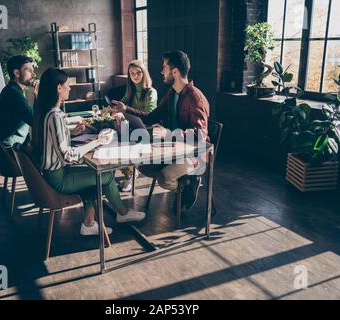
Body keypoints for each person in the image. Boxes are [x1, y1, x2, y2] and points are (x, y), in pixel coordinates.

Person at [32, 68, 146, 236]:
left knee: (96, 172)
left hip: (52, 173)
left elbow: (53, 141)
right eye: (67, 85)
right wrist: (96, 142)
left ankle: (92, 221)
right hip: (58, 178)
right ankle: (120, 214)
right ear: (58, 88)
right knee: (105, 175)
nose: (69, 88)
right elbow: (67, 155)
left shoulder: (47, 112)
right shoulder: (55, 115)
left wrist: (71, 133)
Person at [113, 51, 210, 210]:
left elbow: (201, 135)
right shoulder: (172, 93)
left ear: (175, 72)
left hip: (196, 155)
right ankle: (185, 181)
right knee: (144, 166)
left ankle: (189, 182)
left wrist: (168, 134)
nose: (162, 71)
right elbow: (151, 117)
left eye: (164, 68)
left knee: (165, 178)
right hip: (175, 149)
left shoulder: (195, 98)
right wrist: (126, 110)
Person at [111, 60, 158, 192]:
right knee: (113, 142)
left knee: (122, 145)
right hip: (132, 129)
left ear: (144, 73)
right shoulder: (130, 91)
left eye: (138, 72)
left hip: (147, 131)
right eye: (132, 74)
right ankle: (128, 173)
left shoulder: (151, 92)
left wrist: (125, 109)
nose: (135, 76)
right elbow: (123, 104)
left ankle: (130, 174)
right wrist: (115, 110)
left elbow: (149, 115)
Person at [0, 55, 38, 148]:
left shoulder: (14, 90)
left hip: (17, 146)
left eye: (33, 70)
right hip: (12, 150)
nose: (33, 74)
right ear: (17, 73)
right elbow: (35, 120)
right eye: (28, 70)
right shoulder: (13, 93)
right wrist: (38, 96)